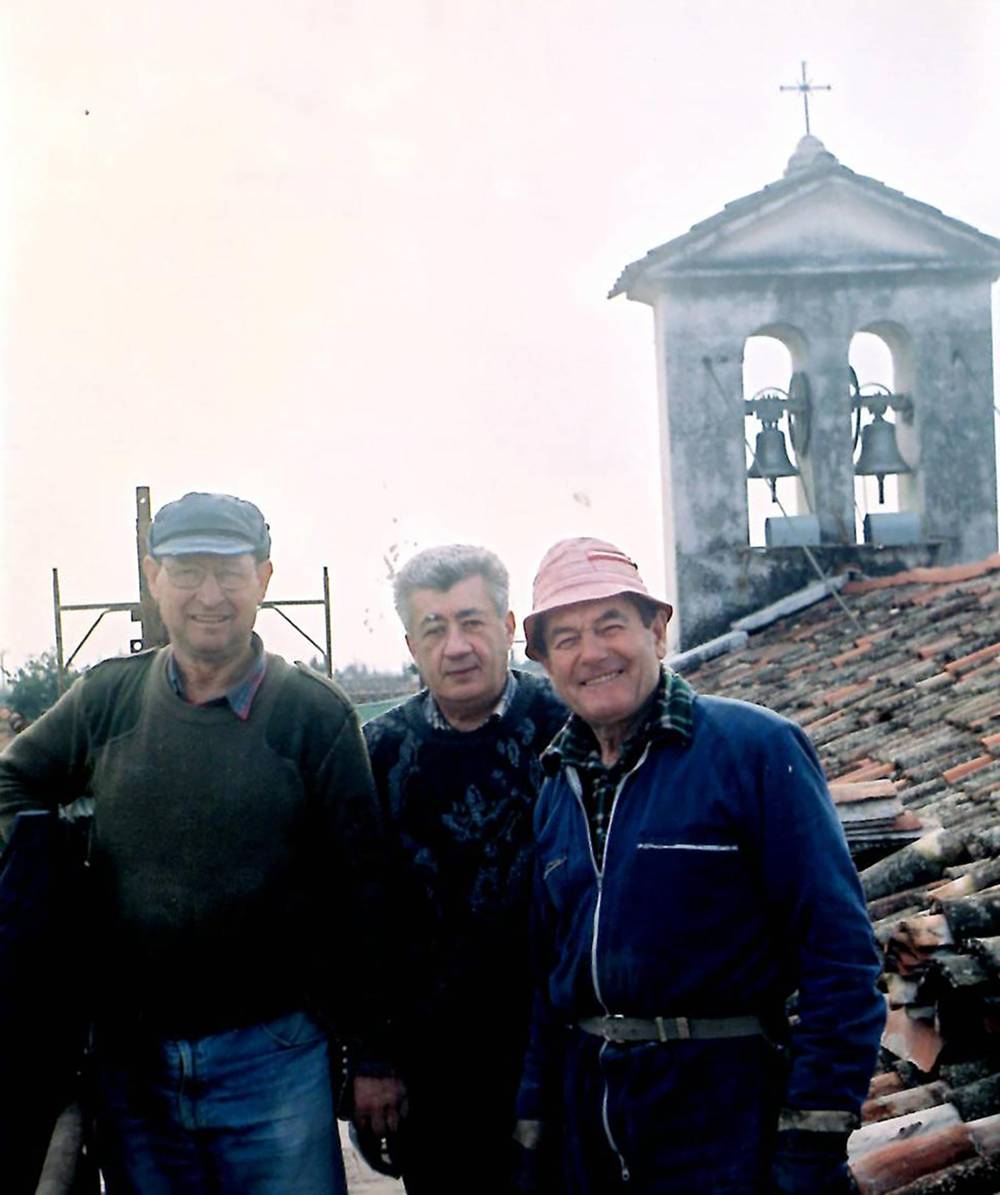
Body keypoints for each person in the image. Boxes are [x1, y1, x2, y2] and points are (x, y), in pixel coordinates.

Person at [0, 491, 396, 1195]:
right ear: (154, 579)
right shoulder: (106, 700)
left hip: (273, 1055)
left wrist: (374, 1053)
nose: (208, 595)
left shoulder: (315, 715)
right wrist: (62, 863)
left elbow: (366, 893)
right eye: (185, 571)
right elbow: (11, 783)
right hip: (134, 1062)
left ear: (264, 580)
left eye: (229, 572)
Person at [514, 537, 885, 1195]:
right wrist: (536, 1128)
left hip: (731, 1126)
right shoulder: (555, 789)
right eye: (565, 637)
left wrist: (810, 1143)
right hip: (595, 1138)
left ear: (657, 629)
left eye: (611, 625)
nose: (592, 652)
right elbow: (552, 986)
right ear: (543, 661)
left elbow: (841, 959)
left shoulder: (755, 750)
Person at [359, 544, 567, 1194]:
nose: (456, 645)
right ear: (411, 645)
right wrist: (371, 1060)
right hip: (434, 1068)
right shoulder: (378, 753)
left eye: (473, 622)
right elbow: (357, 912)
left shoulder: (571, 732)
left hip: (564, 1055)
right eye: (435, 628)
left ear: (508, 627)